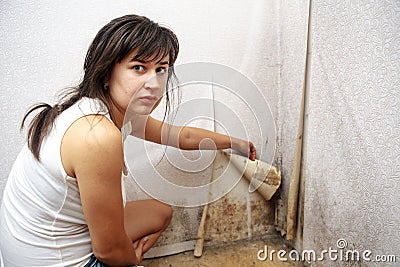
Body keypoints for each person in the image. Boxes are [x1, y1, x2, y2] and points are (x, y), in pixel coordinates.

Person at [0, 14, 256, 267]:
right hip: (54, 261)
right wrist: (131, 260)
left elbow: (182, 136)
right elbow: (108, 252)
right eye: (138, 68)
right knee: (119, 253)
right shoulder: (97, 136)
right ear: (105, 73)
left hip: (37, 245)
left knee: (161, 213)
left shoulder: (101, 110)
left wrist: (235, 143)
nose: (154, 83)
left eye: (161, 70)